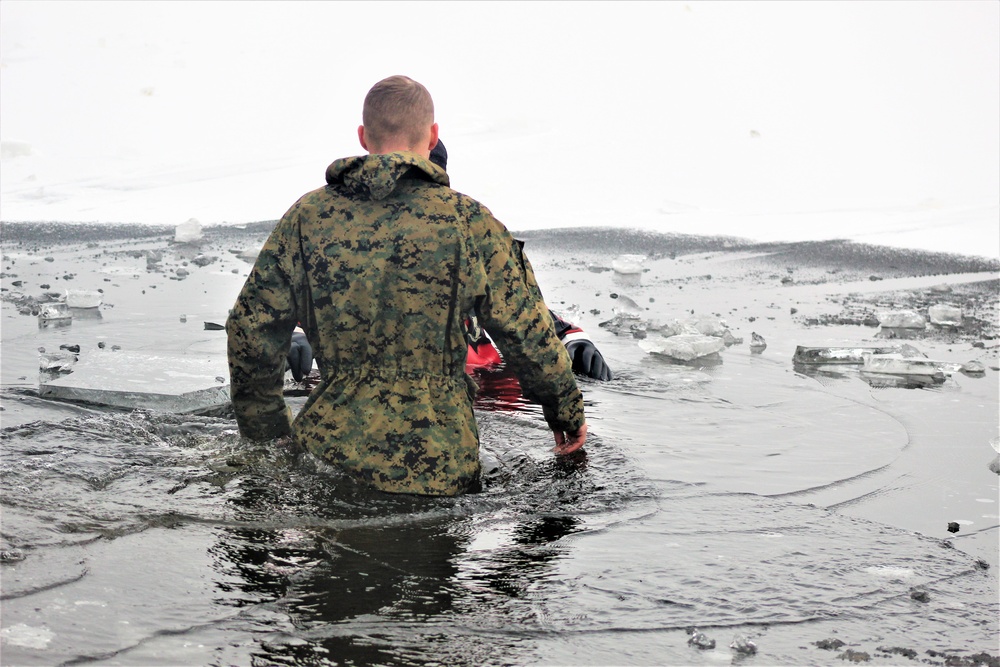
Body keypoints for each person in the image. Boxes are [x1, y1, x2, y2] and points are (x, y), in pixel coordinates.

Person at [228, 75, 587, 496]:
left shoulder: (307, 218)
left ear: (363, 137)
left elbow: (250, 330)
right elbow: (525, 329)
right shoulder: (468, 221)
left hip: (327, 450)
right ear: (433, 136)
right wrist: (565, 413)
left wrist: (269, 436)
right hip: (439, 462)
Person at [427, 139, 613, 382]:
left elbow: (520, 308)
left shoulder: (471, 243)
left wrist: (572, 339)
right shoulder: (365, 249)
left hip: (491, 394)